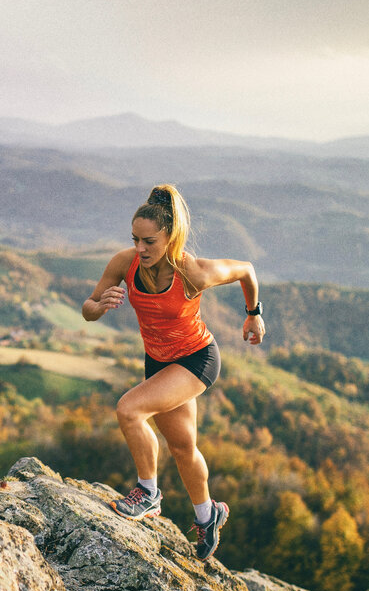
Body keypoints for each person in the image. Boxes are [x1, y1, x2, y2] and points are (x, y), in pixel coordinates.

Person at [82, 184, 265, 561]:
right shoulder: (124, 263)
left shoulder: (192, 272)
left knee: (129, 409)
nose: (141, 248)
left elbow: (246, 270)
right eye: (135, 239)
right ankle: (207, 515)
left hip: (197, 359)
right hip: (160, 362)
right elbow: (87, 307)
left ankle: (148, 493)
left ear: (171, 237)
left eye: (149, 241)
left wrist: (253, 314)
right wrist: (99, 306)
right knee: (183, 447)